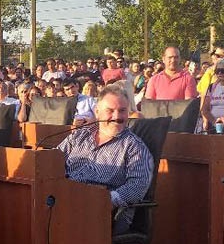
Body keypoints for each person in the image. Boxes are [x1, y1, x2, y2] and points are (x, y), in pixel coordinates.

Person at [57, 84, 154, 233]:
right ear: (97, 112)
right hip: (66, 200)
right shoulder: (79, 136)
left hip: (104, 214)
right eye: (110, 111)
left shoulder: (135, 147)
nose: (117, 117)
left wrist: (103, 200)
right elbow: (51, 161)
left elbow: (137, 188)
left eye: (122, 111)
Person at [200, 58, 224, 133]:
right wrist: (214, 122)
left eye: (223, 71)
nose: (220, 73)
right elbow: (204, 109)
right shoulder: (212, 87)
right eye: (217, 71)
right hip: (214, 125)